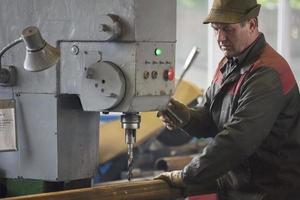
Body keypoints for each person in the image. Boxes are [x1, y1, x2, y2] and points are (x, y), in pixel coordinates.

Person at [154, 0, 300, 199]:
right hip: (238, 189)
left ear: (252, 25)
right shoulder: (229, 63)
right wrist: (186, 116)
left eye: (228, 30)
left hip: (269, 191)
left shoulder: (267, 73)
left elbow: (237, 140)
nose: (220, 37)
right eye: (216, 29)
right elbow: (209, 118)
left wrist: (187, 175)